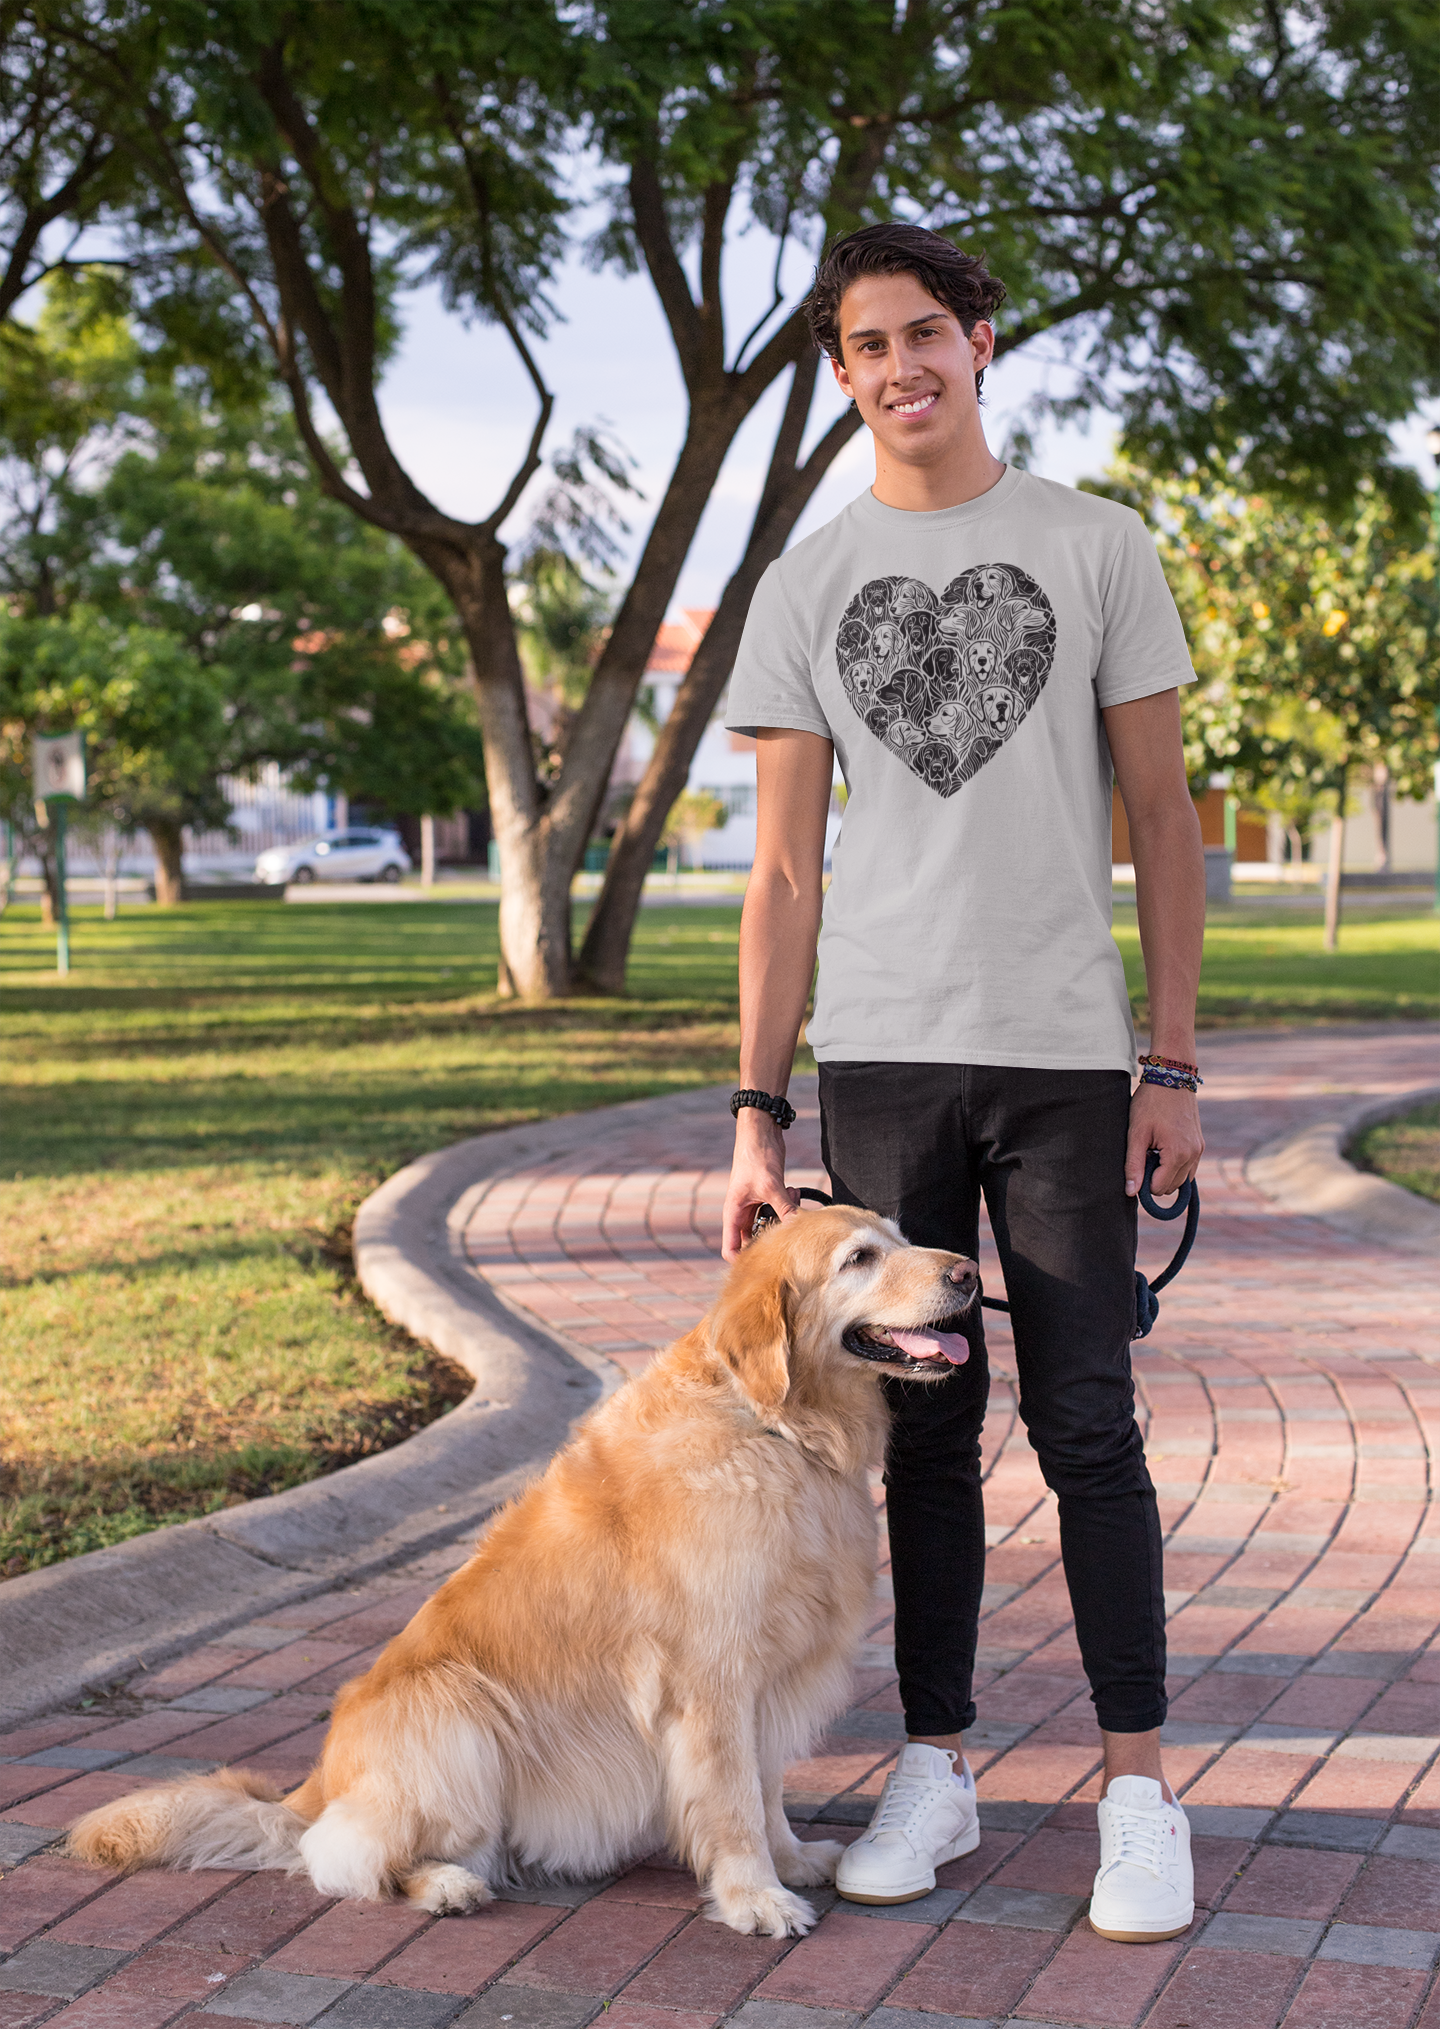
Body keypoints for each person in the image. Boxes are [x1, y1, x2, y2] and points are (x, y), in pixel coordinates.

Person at [720, 221, 1206, 1942]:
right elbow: (781, 876)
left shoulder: (1094, 546)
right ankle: (939, 1761)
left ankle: (1140, 1794)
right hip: (889, 1060)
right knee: (924, 1442)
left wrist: (1171, 1060)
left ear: (980, 340)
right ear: (842, 371)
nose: (898, 368)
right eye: (865, 346)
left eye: (923, 333)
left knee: (1090, 1428)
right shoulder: (805, 578)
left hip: (1071, 1061)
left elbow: (1162, 820)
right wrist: (758, 1109)